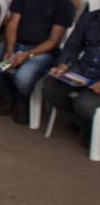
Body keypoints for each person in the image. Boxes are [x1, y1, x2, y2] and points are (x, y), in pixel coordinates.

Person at [41, 8, 100, 150]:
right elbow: (73, 46)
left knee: (84, 105)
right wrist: (63, 64)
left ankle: (92, 126)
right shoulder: (91, 17)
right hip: (86, 67)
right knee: (50, 88)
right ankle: (87, 124)